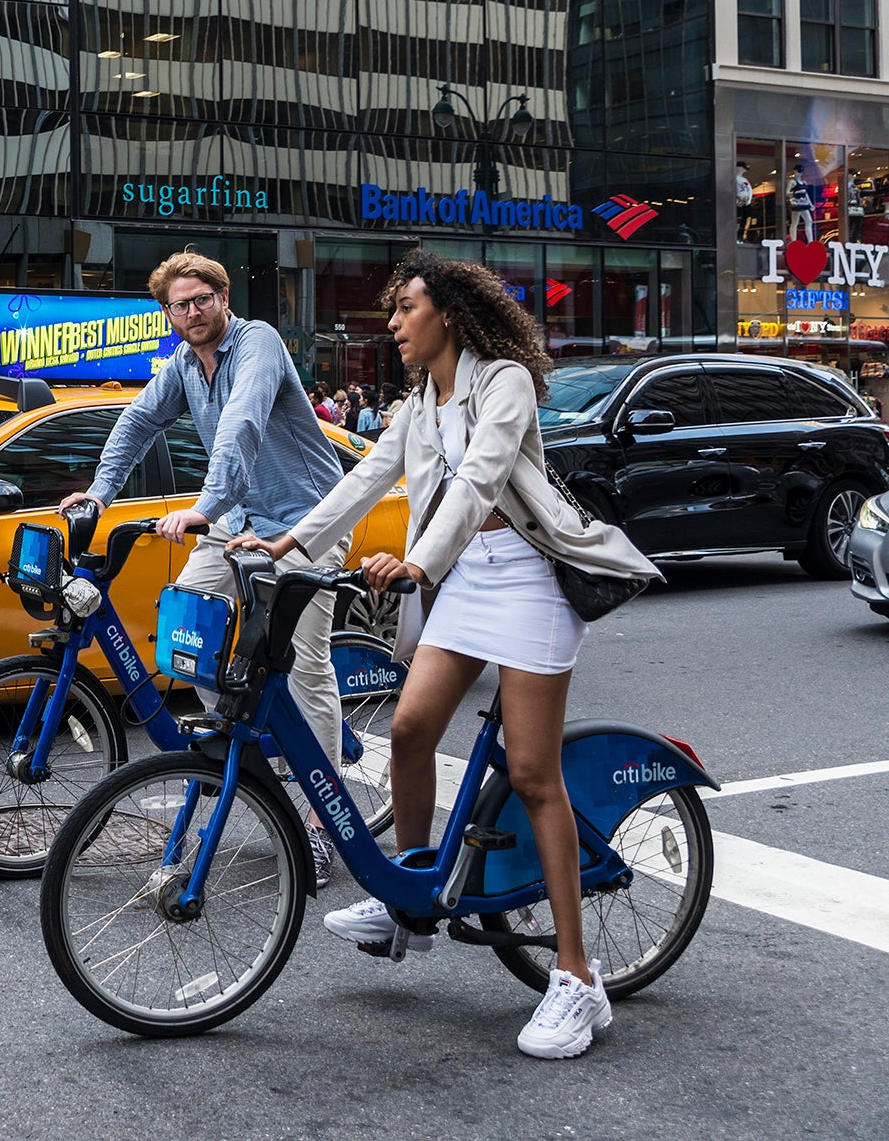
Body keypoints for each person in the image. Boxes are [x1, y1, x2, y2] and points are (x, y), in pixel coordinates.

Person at [233, 250, 659, 1060]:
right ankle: (411, 903)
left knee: (534, 777)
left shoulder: (503, 383)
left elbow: (480, 480)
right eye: (392, 312)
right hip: (464, 583)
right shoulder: (417, 403)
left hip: (528, 580)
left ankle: (577, 981)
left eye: (406, 310)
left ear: (449, 317)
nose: (392, 324)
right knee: (410, 730)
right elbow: (364, 480)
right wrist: (288, 540)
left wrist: (419, 563)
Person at [56, 251, 353, 885]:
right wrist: (101, 493)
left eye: (201, 300)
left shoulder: (259, 343)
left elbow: (241, 423)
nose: (191, 313)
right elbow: (139, 419)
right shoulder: (184, 364)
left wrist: (203, 508)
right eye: (178, 305)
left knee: (304, 664)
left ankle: (324, 821)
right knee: (187, 628)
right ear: (167, 313)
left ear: (223, 298)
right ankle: (249, 753)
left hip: (307, 521)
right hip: (240, 520)